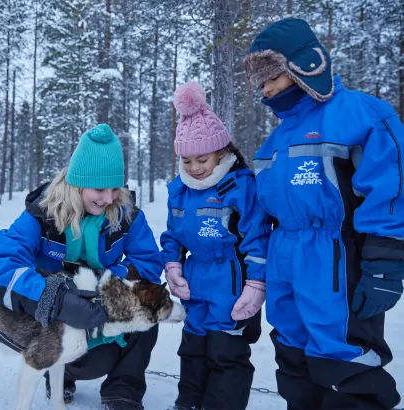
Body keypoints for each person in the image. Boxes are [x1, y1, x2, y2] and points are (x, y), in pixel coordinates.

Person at [243, 17, 404, 410]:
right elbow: (264, 215)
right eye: (259, 83)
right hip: (287, 263)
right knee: (293, 357)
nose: (264, 91)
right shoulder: (274, 141)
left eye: (271, 78)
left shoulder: (361, 116)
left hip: (335, 260)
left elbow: (391, 189)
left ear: (303, 66)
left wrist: (386, 259)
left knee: (344, 361)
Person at [0, 123, 164, 410]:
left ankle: (122, 391)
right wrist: (54, 297)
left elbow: (149, 263)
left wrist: (107, 283)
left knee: (148, 311)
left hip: (102, 305)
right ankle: (59, 376)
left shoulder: (127, 215)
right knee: (82, 359)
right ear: (77, 183)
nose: (108, 198)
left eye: (115, 188)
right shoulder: (42, 214)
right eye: (100, 189)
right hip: (56, 319)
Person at [160, 82, 271, 410]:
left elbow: (257, 236)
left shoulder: (240, 187)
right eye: (188, 160)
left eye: (203, 159)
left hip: (231, 280)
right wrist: (173, 264)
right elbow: (173, 235)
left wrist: (256, 282)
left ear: (221, 152)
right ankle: (189, 403)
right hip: (196, 278)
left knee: (226, 351)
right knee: (192, 347)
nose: (195, 167)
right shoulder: (180, 190)